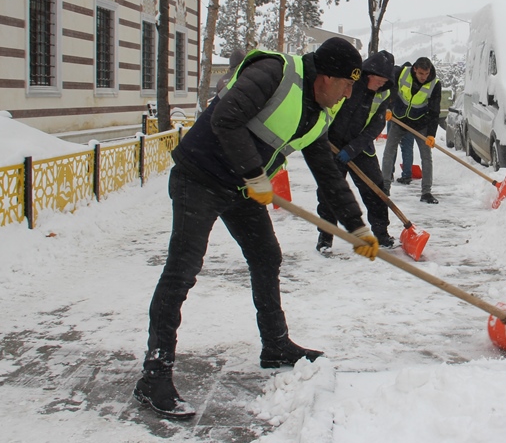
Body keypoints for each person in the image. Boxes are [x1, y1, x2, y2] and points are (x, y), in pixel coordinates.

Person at [134, 37, 380, 420]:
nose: (349, 95)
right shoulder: (274, 73)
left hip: (241, 185)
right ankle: (155, 372)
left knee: (267, 256)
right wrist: (254, 173)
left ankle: (276, 344)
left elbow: (328, 176)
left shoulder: (318, 114)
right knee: (183, 269)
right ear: (326, 78)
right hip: (199, 177)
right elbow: (225, 118)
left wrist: (357, 226)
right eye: (346, 86)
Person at [316, 50, 397, 253]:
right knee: (330, 192)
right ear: (369, 74)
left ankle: (382, 234)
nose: (381, 85)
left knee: (376, 190)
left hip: (360, 147)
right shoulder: (348, 84)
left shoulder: (383, 93)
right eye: (379, 80)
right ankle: (325, 238)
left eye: (385, 82)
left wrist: (352, 149)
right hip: (332, 144)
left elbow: (375, 126)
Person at [381, 56, 442, 204]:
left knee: (426, 157)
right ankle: (384, 188)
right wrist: (388, 107)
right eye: (421, 73)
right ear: (415, 69)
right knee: (389, 152)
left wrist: (431, 134)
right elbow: (389, 90)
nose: (423, 77)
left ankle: (426, 192)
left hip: (421, 124)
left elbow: (434, 111)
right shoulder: (401, 73)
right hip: (398, 119)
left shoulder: (434, 84)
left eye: (426, 74)